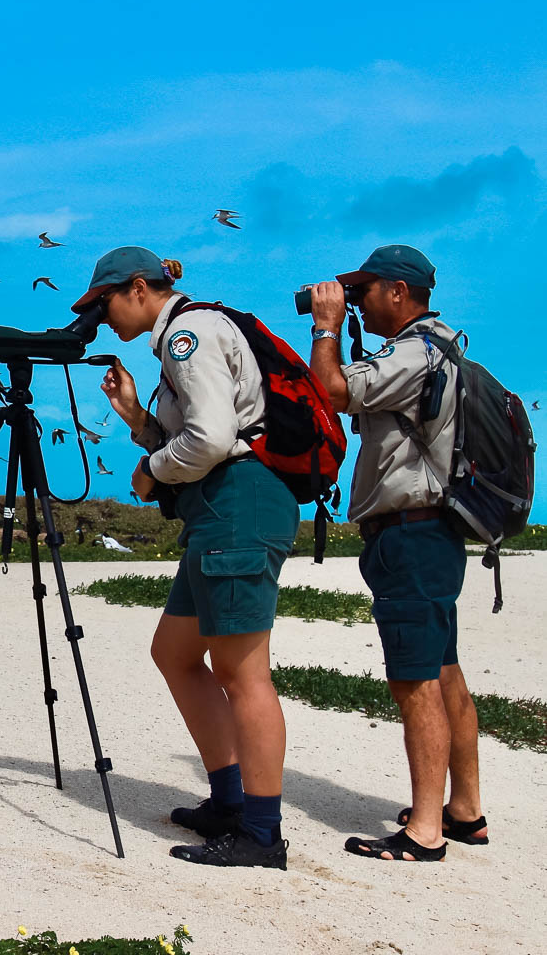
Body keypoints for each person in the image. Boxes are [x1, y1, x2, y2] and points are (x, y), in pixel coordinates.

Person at [83, 246, 298, 869]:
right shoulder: (181, 337)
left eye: (104, 302)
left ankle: (261, 834)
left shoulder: (188, 336)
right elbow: (201, 433)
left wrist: (151, 471)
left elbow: (211, 439)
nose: (100, 318)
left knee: (242, 672)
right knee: (174, 653)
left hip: (240, 503)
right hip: (219, 506)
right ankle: (229, 802)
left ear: (140, 287)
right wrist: (136, 419)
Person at [307, 245, 488, 863]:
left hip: (411, 533)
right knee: (444, 670)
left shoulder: (414, 351)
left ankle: (426, 832)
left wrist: (326, 325)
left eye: (363, 289)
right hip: (432, 532)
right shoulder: (443, 349)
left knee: (414, 681)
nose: (354, 298)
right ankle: (464, 811)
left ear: (398, 292)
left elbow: (332, 388)